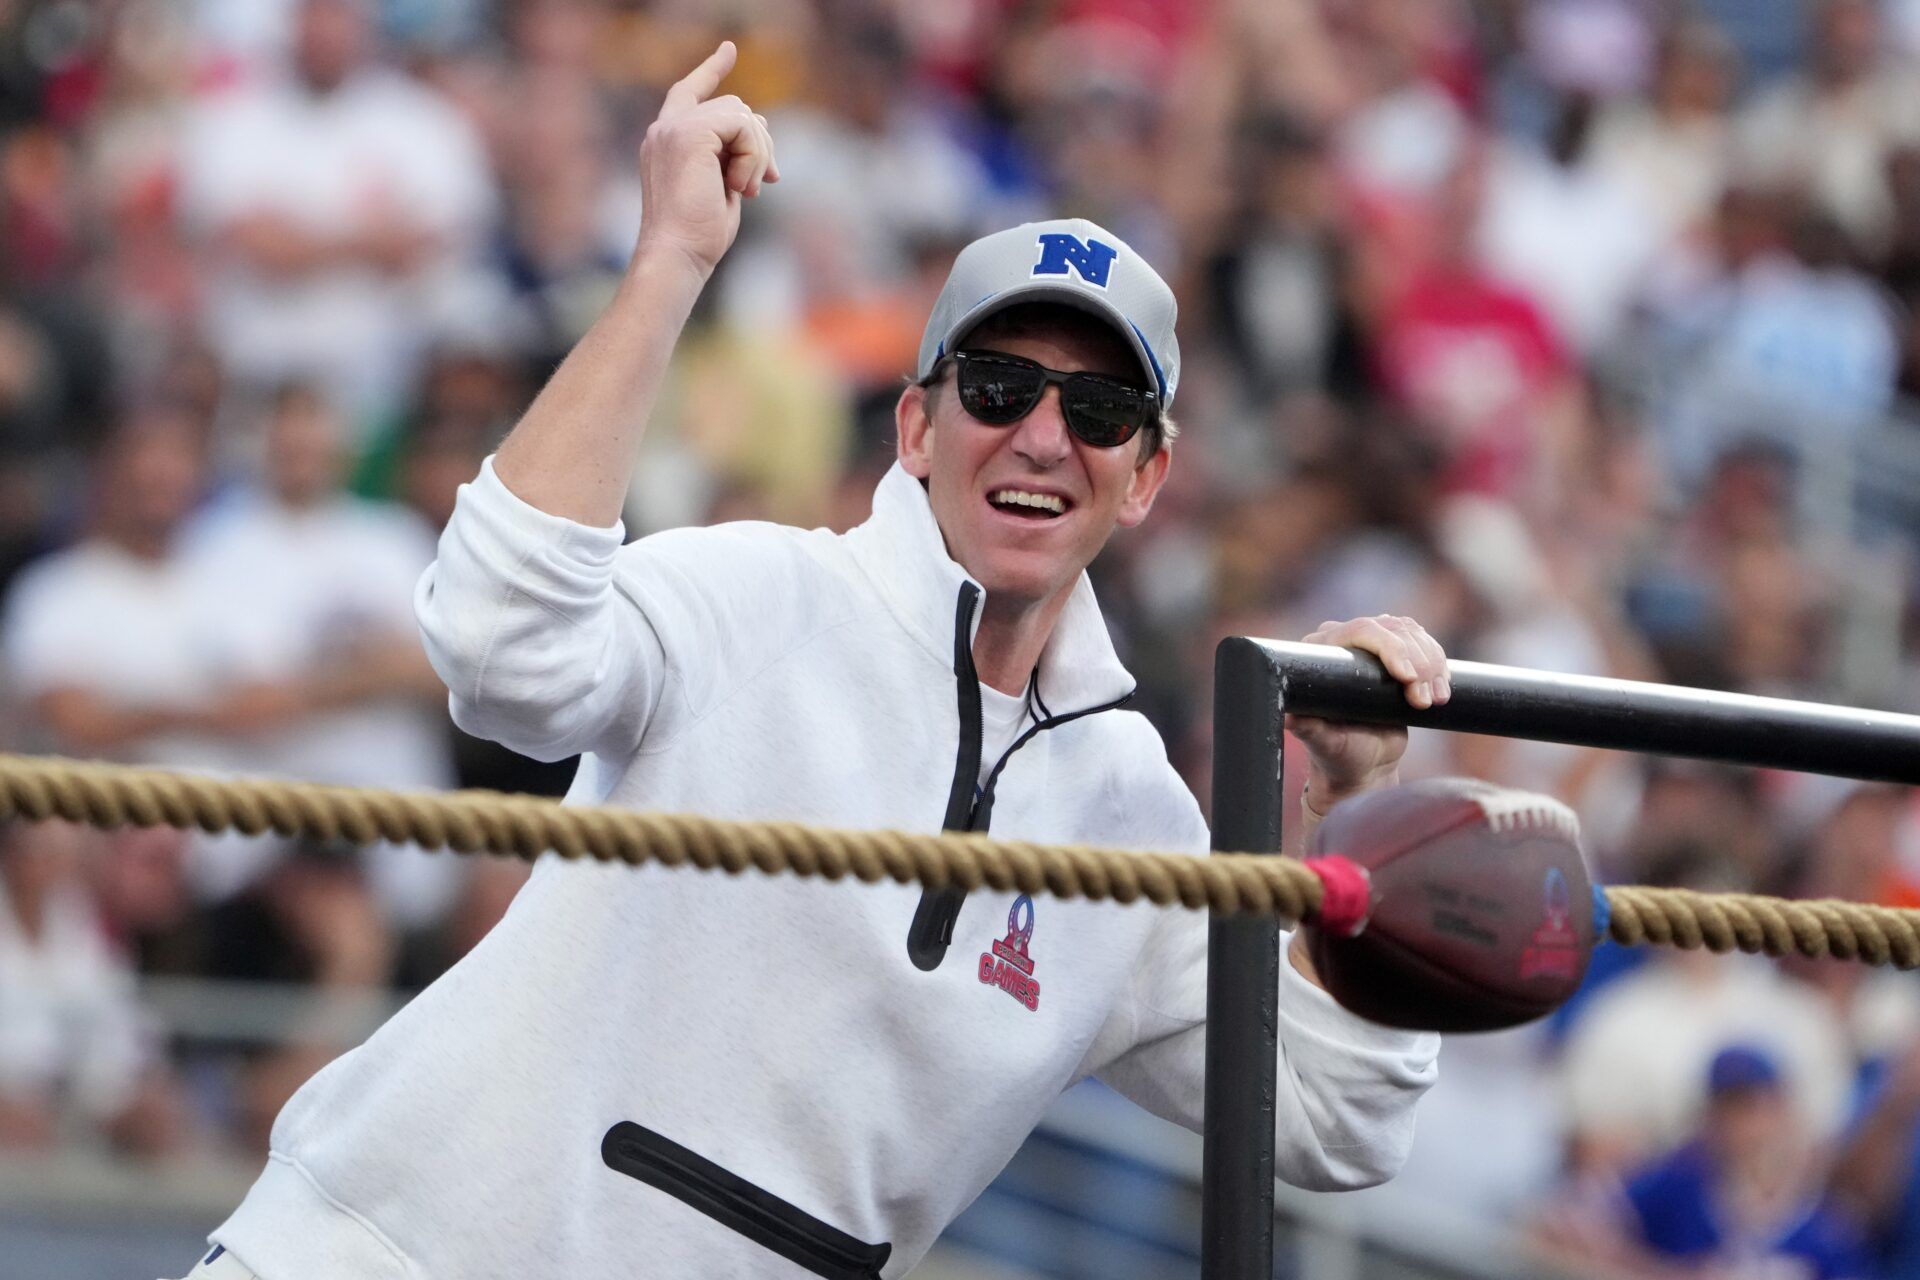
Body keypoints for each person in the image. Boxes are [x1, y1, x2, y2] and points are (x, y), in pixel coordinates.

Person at [175, 43, 1452, 1280]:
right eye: (999, 386)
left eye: (1102, 409)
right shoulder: (757, 590)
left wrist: (1360, 803)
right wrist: (670, 264)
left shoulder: (1129, 807)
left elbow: (1338, 1117)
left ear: (1148, 475)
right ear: (917, 427)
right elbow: (496, 644)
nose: (1044, 436)